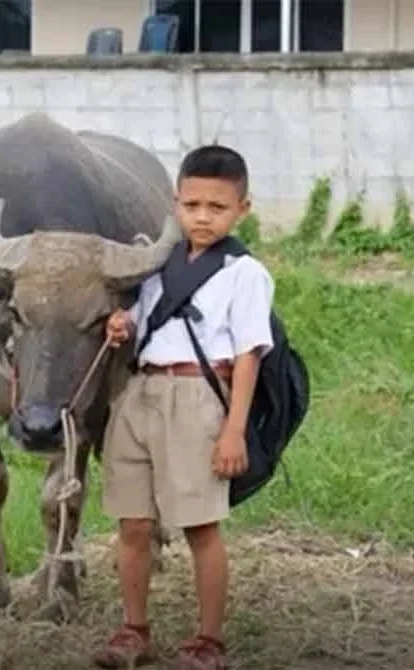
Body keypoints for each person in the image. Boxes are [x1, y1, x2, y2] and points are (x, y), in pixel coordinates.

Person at [92, 145, 276, 670]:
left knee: (200, 526)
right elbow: (143, 323)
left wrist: (234, 430)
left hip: (198, 399)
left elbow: (247, 357)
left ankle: (208, 641)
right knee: (132, 523)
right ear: (176, 204)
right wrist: (121, 325)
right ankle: (134, 630)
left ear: (243, 209)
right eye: (192, 205)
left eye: (217, 207)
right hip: (140, 395)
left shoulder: (245, 274)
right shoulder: (157, 267)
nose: (202, 217)